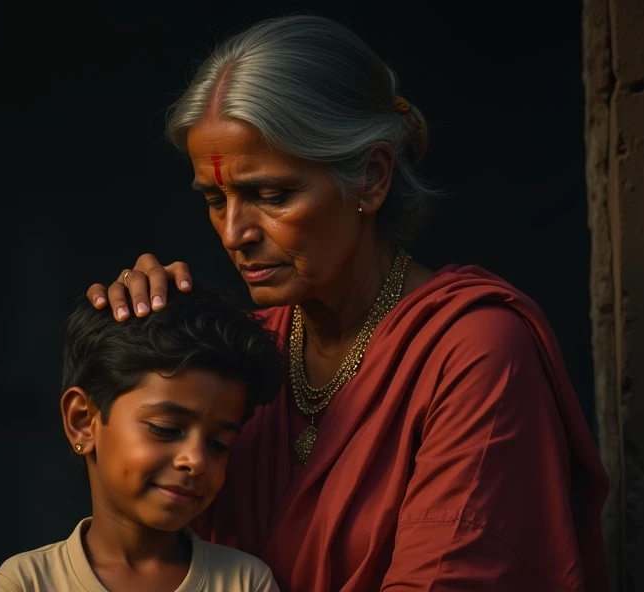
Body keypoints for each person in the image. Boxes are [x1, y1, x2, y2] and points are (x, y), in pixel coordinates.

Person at [84, 14, 610, 592]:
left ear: (372, 176)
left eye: (271, 195)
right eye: (215, 199)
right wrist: (136, 356)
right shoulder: (240, 354)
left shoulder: (472, 350)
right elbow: (141, 561)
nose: (234, 233)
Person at [0, 287, 284, 592]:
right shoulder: (26, 583)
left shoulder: (246, 583)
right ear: (82, 421)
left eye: (218, 444)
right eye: (166, 428)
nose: (195, 461)